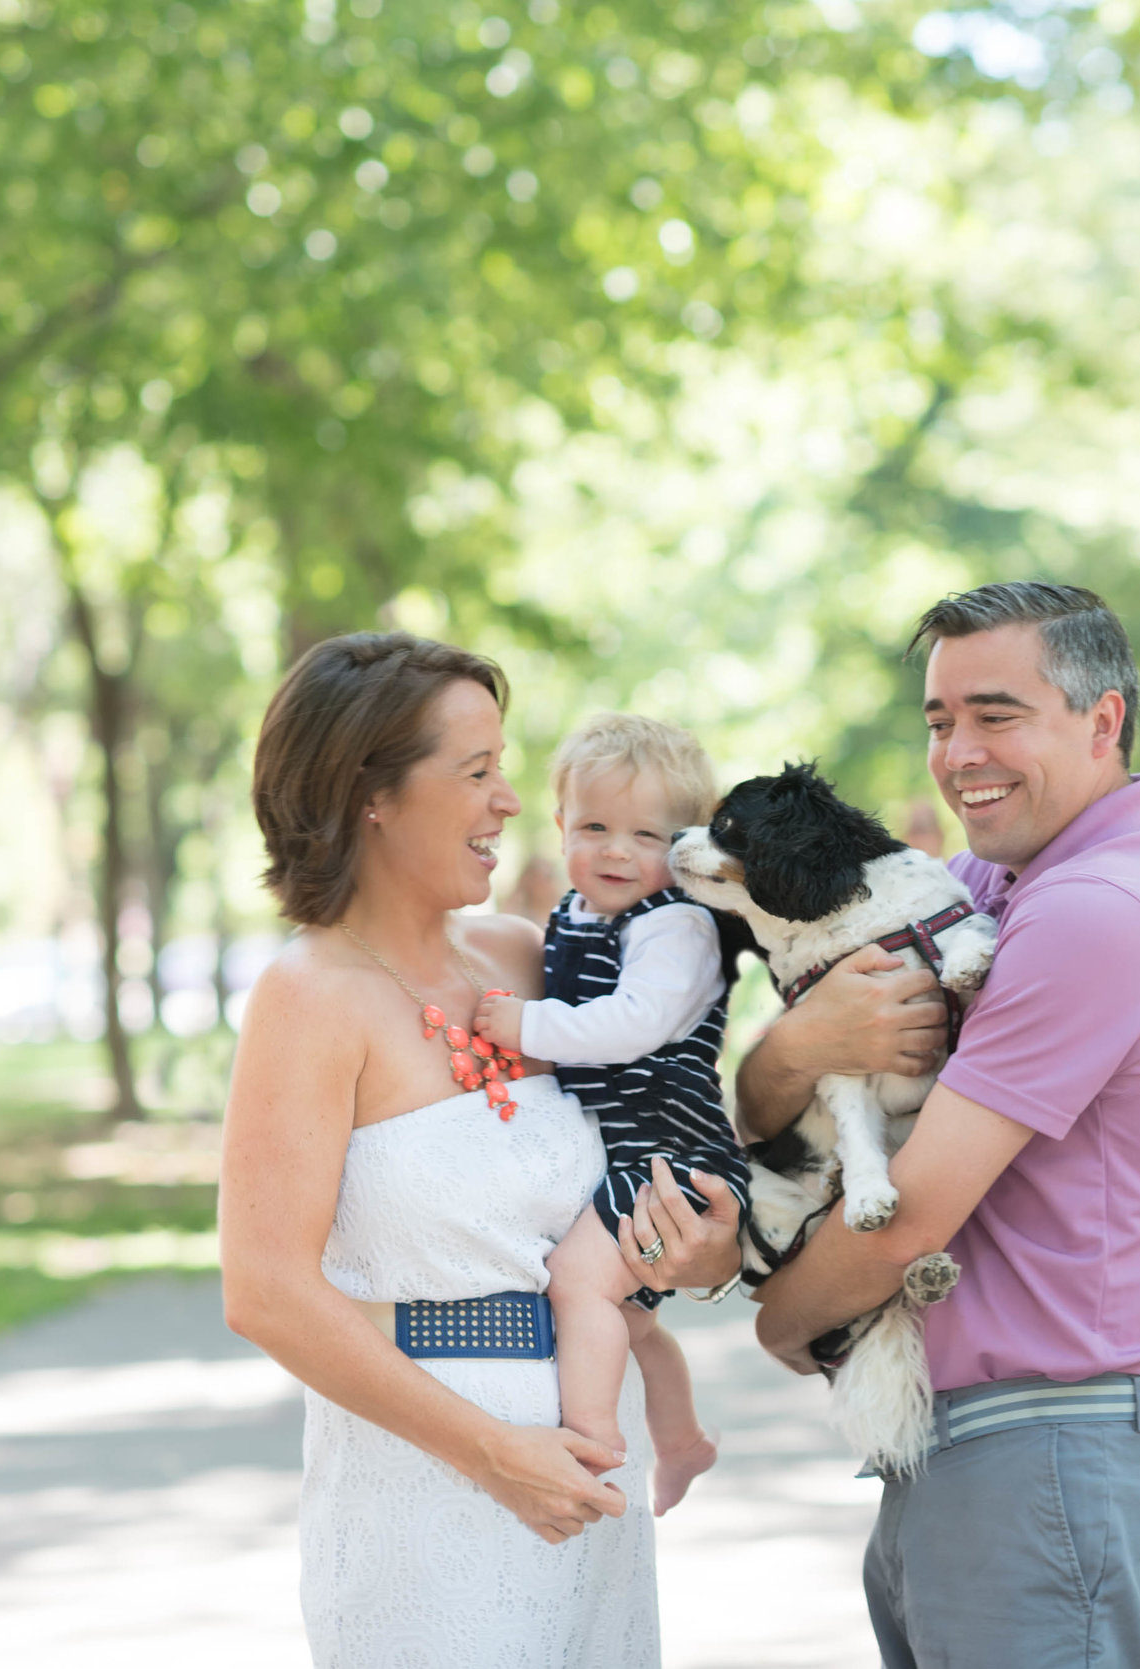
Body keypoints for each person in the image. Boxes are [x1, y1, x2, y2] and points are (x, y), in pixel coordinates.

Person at [217, 633, 745, 1669]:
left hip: (587, 1482)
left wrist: (704, 1256)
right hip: (429, 1496)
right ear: (373, 793)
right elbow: (265, 1290)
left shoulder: (526, 953)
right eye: (477, 771)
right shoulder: (308, 994)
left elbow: (651, 1131)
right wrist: (496, 1454)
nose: (511, 800)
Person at [741, 582, 1140, 1669]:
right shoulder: (991, 884)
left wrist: (782, 1324)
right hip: (976, 1450)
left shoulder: (1091, 910)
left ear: (1101, 721)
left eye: (995, 714)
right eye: (938, 720)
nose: (958, 751)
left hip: (1045, 1452)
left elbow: (908, 1216)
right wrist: (791, 1046)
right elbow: (781, 1085)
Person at [472, 713, 752, 1516]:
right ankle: (684, 1440)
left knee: (579, 1282)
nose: (619, 851)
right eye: (594, 826)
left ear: (690, 847)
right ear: (560, 824)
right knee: (625, 1315)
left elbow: (632, 1024)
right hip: (632, 1147)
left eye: (648, 835)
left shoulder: (677, 926)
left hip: (671, 1151)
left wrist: (525, 1026)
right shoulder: (574, 914)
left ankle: (589, 1446)